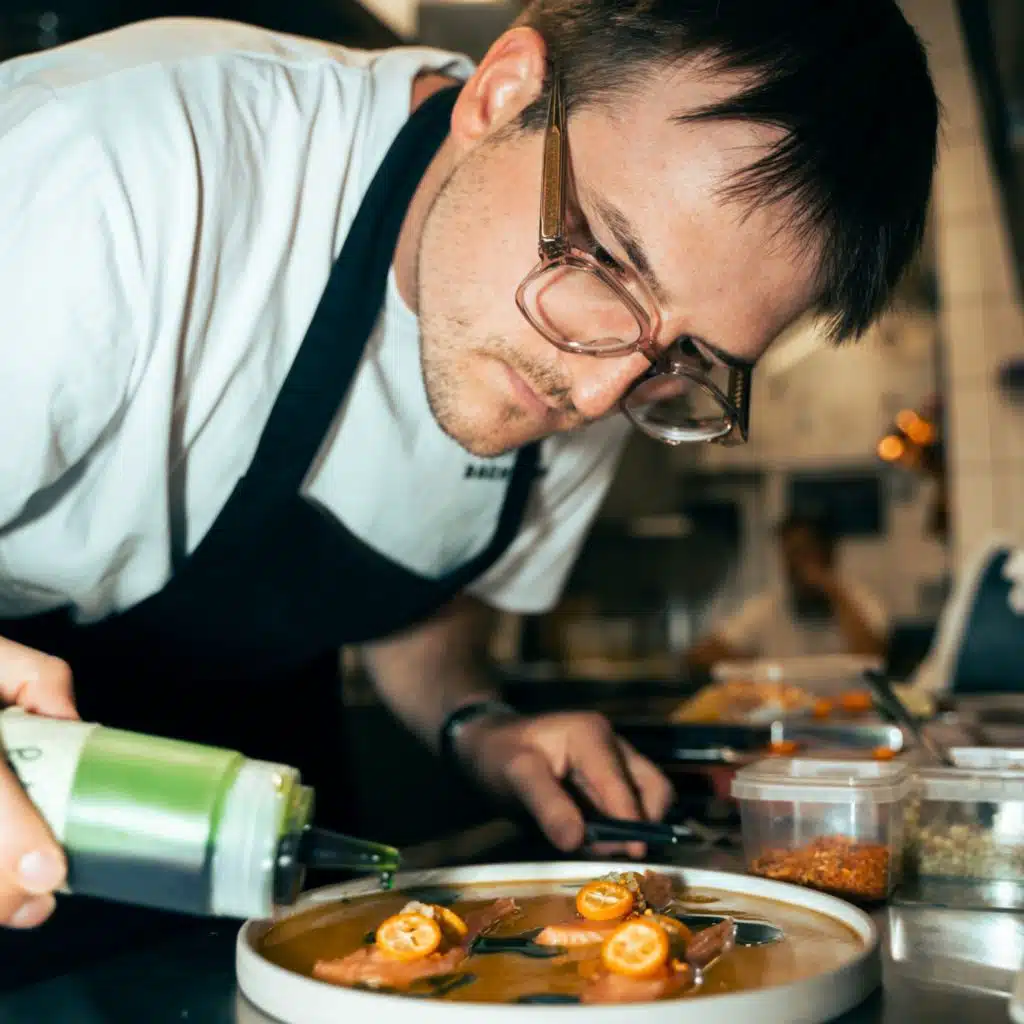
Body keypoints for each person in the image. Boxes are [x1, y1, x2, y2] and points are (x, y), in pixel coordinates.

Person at [0, 0, 937, 942]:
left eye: (687, 355)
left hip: (259, 807)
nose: (599, 393)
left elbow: (425, 598)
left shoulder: (621, 359)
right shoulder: (118, 165)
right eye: (610, 261)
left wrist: (477, 722)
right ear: (503, 95)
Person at [686, 515, 889, 668]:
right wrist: (761, 669)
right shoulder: (769, 606)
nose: (795, 566)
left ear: (828, 554)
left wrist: (833, 591)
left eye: (803, 553)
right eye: (789, 556)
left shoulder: (860, 599)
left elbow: (872, 657)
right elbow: (701, 655)